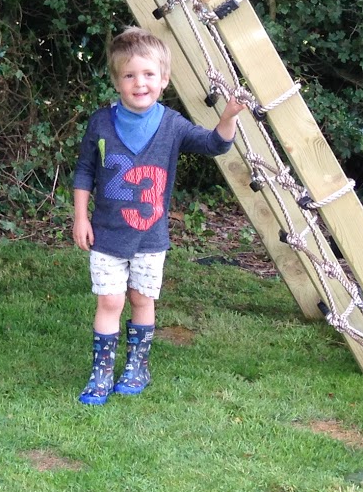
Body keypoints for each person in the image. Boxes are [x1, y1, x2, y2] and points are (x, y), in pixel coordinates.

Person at [70, 27, 246, 405]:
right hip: (106, 235)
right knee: (110, 302)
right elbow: (84, 170)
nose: (139, 83)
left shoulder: (173, 124)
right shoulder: (101, 122)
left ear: (164, 80)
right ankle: (101, 373)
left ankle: (137, 366)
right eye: (130, 75)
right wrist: (80, 217)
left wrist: (229, 116)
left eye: (149, 74)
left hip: (151, 238)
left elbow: (214, 144)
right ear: (117, 81)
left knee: (141, 299)